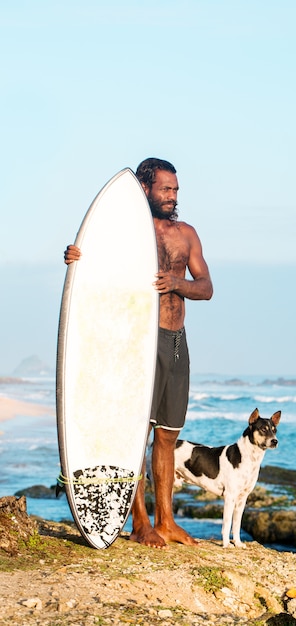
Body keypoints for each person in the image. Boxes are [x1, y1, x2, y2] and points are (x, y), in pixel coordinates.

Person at [64, 157, 213, 548]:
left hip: (177, 342)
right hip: (141, 341)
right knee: (136, 432)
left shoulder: (186, 234)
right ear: (145, 188)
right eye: (165, 189)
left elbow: (207, 287)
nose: (171, 196)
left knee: (167, 434)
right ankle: (139, 522)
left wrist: (176, 282)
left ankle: (167, 521)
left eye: (175, 190)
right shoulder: (129, 232)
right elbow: (96, 264)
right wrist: (77, 257)